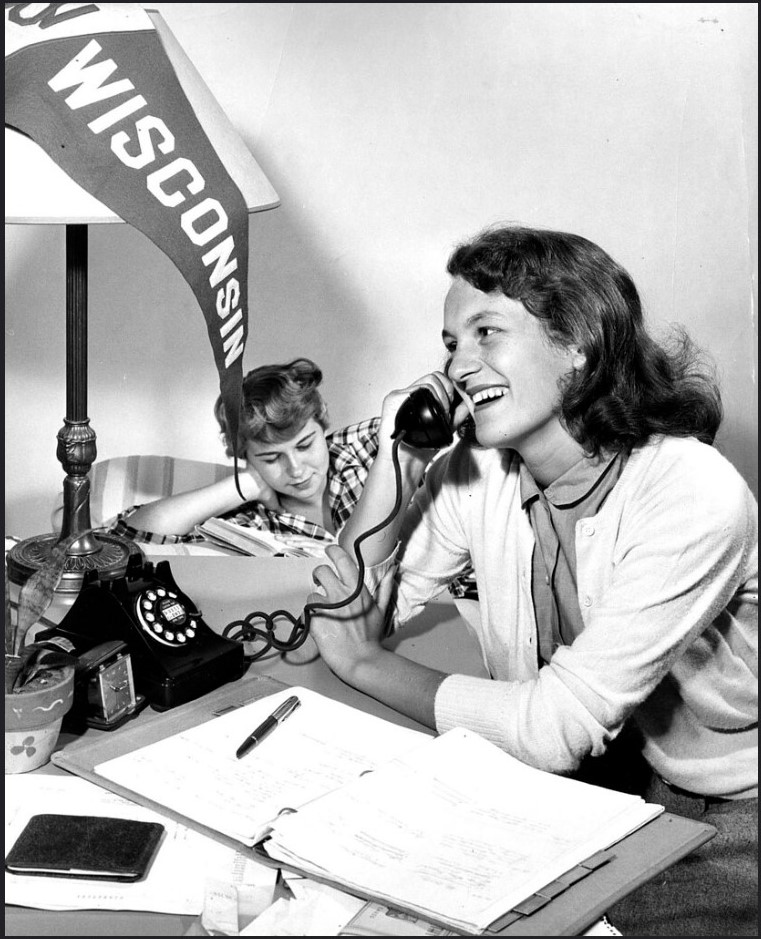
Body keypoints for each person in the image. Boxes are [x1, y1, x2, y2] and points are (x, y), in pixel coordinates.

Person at [305, 226, 758, 936]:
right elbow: (358, 606)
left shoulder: (691, 491)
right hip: (579, 782)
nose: (458, 364)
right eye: (451, 342)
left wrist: (364, 662)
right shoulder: (480, 471)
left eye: (487, 331)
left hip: (720, 801)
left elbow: (551, 728)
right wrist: (401, 459)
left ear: (577, 343)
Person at [110, 358, 381, 548]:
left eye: (305, 445)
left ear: (322, 421)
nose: (296, 469)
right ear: (246, 457)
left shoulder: (363, 446)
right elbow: (126, 536)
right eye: (271, 458)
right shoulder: (250, 521)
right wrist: (244, 487)